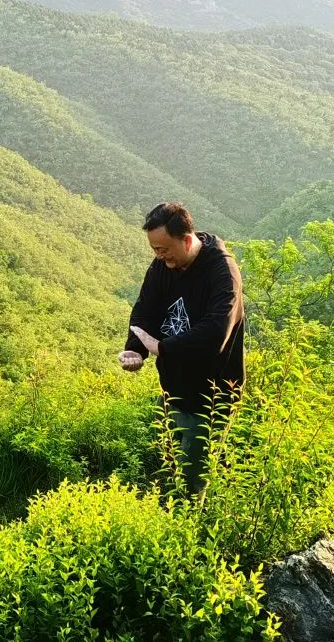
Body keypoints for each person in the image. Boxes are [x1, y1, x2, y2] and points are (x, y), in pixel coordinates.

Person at [119, 202, 245, 493]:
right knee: (169, 463)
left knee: (192, 477)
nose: (159, 257)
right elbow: (144, 309)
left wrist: (162, 348)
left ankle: (194, 527)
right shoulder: (164, 265)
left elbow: (216, 332)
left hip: (212, 395)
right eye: (154, 250)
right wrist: (136, 349)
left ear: (186, 240)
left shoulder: (222, 272)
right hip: (172, 388)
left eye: (163, 249)